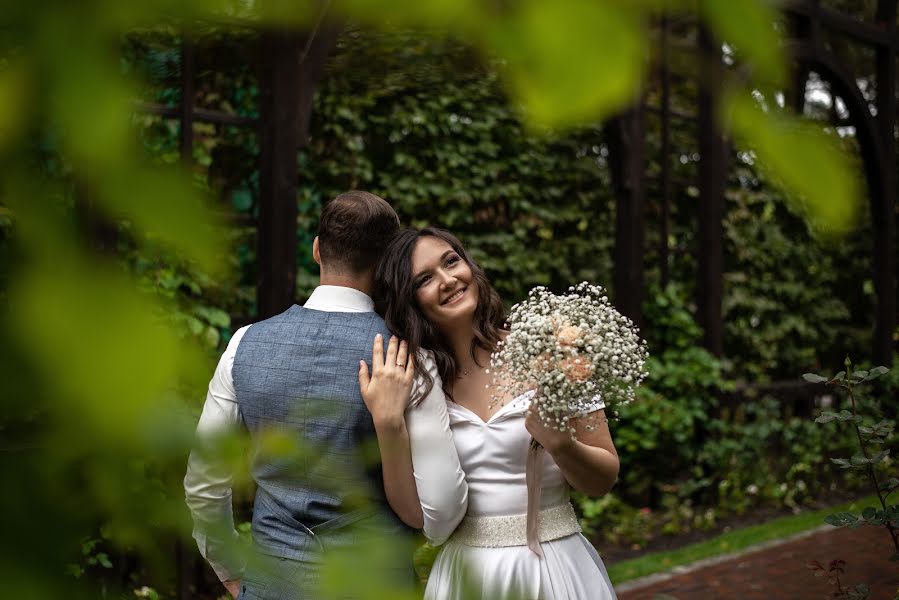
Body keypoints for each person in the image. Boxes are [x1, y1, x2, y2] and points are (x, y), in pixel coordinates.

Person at [184, 195, 467, 600]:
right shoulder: (406, 356)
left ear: (317, 249)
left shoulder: (244, 344)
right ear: (389, 262)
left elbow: (203, 484)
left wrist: (231, 571)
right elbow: (442, 509)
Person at [363, 227, 619, 600]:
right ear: (410, 301)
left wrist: (563, 446)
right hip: (466, 578)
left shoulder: (550, 349)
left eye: (451, 262)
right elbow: (416, 516)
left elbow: (604, 479)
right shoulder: (418, 382)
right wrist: (387, 424)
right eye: (425, 279)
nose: (448, 280)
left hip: (555, 568)